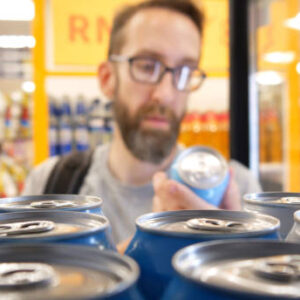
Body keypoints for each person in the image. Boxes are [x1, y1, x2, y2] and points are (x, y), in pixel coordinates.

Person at [23, 0, 261, 248]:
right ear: (107, 79)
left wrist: (233, 254)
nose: (165, 94)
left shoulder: (239, 190)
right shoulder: (50, 186)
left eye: (184, 71)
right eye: (147, 66)